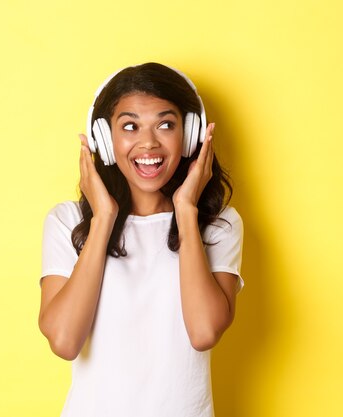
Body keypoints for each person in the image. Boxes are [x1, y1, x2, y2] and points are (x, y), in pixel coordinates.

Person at [38, 62, 244, 417]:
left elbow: (204, 331)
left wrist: (185, 209)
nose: (148, 142)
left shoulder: (219, 224)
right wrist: (103, 217)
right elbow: (65, 341)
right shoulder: (68, 221)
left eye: (166, 125)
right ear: (105, 139)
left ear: (191, 135)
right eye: (130, 126)